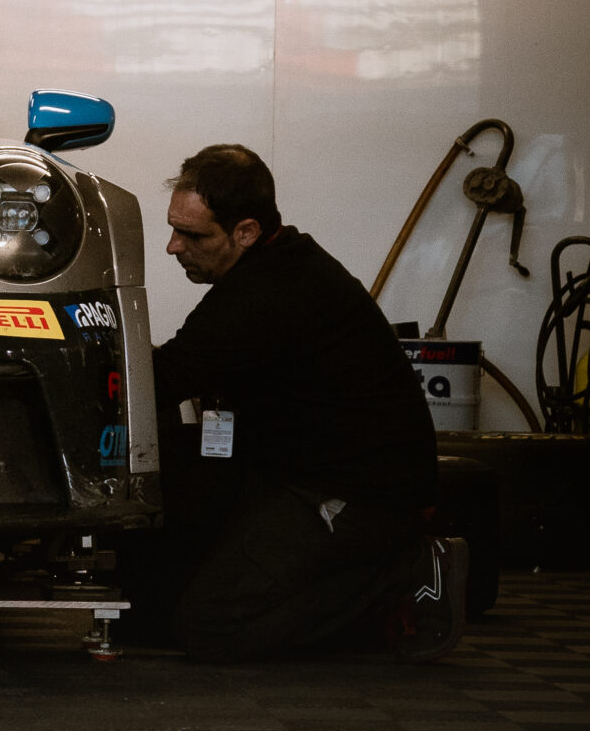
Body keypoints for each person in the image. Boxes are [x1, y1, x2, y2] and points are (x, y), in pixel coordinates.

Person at [149, 143, 466, 661]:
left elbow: (161, 379)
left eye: (192, 235)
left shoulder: (266, 296)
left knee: (208, 625)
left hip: (358, 496)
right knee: (167, 586)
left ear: (245, 232)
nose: (173, 247)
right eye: (174, 228)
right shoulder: (278, 262)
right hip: (303, 476)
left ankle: (403, 580)